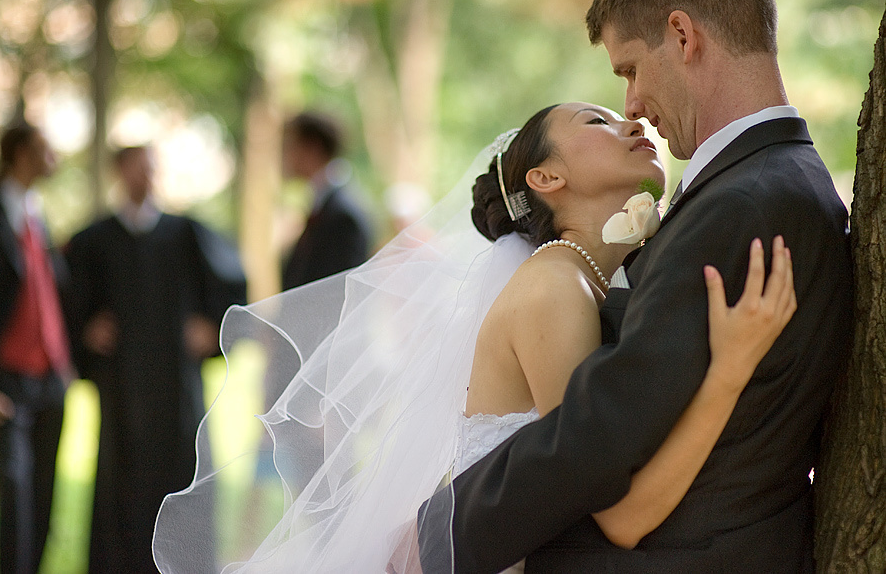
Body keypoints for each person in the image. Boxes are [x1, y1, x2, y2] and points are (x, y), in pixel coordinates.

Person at [152, 100, 796, 573]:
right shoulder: (555, 291)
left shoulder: (589, 283)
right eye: (596, 121)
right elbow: (622, 516)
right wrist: (730, 369)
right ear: (545, 179)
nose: (633, 123)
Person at [419, 0, 853, 572]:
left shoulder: (740, 205)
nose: (631, 109)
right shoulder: (778, 181)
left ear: (682, 35)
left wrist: (439, 533)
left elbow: (604, 430)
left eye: (627, 71)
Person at [63, 145, 247, 574]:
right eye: (137, 167)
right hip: (121, 383)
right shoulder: (93, 240)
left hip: (175, 382)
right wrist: (86, 327)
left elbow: (233, 287)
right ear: (119, 171)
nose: (146, 176)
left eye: (152, 168)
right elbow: (66, 303)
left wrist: (211, 325)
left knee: (182, 467)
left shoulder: (187, 234)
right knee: (118, 475)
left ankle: (184, 563)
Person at [0, 122, 73, 574]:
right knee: (15, 495)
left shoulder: (39, 218)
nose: (53, 157)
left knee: (43, 498)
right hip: (4, 382)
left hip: (50, 381)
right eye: (43, 149)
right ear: (18, 155)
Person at [279, 111, 373, 290]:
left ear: (312, 148)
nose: (284, 155)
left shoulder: (344, 216)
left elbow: (336, 293)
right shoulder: (326, 206)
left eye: (290, 146)